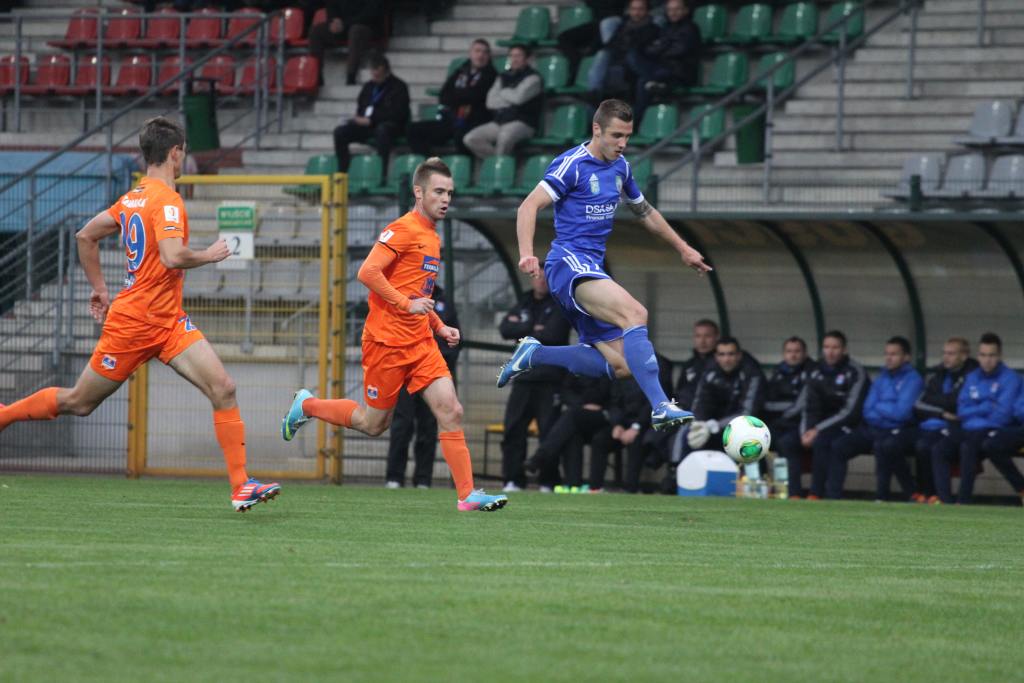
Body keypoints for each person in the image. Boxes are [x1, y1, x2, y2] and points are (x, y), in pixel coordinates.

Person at [0, 117, 280, 512]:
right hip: (133, 324)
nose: (184, 160)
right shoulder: (166, 200)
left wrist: (100, 288)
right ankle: (5, 415)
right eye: (184, 153)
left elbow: (86, 236)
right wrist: (209, 253)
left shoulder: (132, 197)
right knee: (79, 402)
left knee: (224, 388)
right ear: (175, 152)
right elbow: (172, 256)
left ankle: (240, 486)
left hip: (167, 321)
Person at [281, 157, 507, 512]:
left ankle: (467, 496)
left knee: (451, 409)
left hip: (420, 343)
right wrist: (405, 304)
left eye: (449, 192)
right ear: (418, 192)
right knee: (374, 424)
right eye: (438, 191)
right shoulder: (402, 229)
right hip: (386, 342)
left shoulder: (432, 237)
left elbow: (420, 297)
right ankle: (306, 405)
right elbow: (368, 272)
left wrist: (438, 325)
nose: (446, 198)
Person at [498, 99, 711, 436]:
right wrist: (527, 253)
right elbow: (528, 206)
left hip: (591, 267)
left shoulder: (621, 168)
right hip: (567, 264)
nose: (622, 144)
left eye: (627, 136)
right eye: (616, 135)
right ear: (596, 130)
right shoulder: (571, 165)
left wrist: (683, 248)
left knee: (622, 366)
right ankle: (660, 406)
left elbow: (646, 212)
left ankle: (535, 355)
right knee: (635, 314)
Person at [497, 269, 571, 492]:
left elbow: (553, 334)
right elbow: (505, 329)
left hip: (549, 380)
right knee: (513, 429)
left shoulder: (559, 303)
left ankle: (548, 481)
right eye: (537, 276)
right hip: (523, 378)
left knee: (548, 431)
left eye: (545, 277)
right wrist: (533, 329)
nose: (541, 281)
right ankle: (513, 479)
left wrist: (524, 330)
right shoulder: (524, 301)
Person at [827, 336, 924, 501]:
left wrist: (879, 408)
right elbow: (867, 410)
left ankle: (884, 496)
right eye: (887, 353)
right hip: (874, 427)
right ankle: (833, 497)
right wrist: (886, 410)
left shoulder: (913, 379)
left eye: (894, 354)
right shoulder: (881, 377)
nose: (889, 357)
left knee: (884, 446)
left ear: (906, 357)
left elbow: (902, 413)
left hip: (901, 429)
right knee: (839, 445)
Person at [384, 284, 459, 489]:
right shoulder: (404, 296)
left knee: (428, 426)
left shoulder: (444, 300)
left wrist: (438, 361)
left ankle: (423, 479)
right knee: (401, 424)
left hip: (431, 373)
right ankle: (394, 477)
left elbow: (453, 339)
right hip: (406, 372)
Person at [931, 332, 1021, 504]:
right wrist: (987, 406)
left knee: (968, 446)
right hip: (970, 427)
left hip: (991, 430)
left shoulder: (1010, 379)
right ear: (978, 356)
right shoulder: (972, 377)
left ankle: (963, 501)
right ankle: (945, 500)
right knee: (939, 448)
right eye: (983, 355)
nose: (987, 360)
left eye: (992, 355)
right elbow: (961, 409)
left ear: (1000, 356)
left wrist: (975, 410)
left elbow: (1002, 415)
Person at [801, 330, 869, 500]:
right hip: (823, 427)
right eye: (826, 347)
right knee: (815, 441)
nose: (830, 352)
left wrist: (817, 429)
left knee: (836, 444)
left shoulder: (855, 371)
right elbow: (809, 406)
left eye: (835, 347)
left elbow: (850, 411)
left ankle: (833, 496)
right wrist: (807, 430)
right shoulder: (816, 371)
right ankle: (813, 493)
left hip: (851, 425)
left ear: (844, 349)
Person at [407, 39, 497, 157]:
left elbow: (476, 96)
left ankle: (463, 170)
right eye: (477, 51)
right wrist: (463, 96)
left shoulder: (491, 75)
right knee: (413, 129)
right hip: (453, 119)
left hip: (475, 121)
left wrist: (457, 95)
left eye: (485, 52)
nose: (481, 55)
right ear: (470, 53)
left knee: (461, 136)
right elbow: (444, 95)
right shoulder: (460, 71)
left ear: (489, 56)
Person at [524, 373, 612, 492]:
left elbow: (608, 393)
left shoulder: (607, 367)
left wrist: (589, 403)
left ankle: (540, 457)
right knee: (572, 433)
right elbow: (565, 391)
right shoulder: (577, 366)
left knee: (570, 416)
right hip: (581, 414)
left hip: (606, 415)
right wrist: (582, 405)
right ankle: (574, 485)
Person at [913, 337, 976, 501]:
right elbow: (918, 404)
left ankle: (945, 498)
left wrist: (939, 400)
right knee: (922, 445)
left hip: (961, 427)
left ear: (964, 356)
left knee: (939, 448)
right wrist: (942, 412)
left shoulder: (972, 373)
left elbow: (955, 402)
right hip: (939, 423)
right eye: (944, 353)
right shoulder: (939, 374)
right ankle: (929, 494)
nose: (946, 357)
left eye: (951, 353)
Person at [683, 336, 766, 456]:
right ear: (716, 357)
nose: (726, 359)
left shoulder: (752, 374)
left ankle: (748, 474)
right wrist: (698, 424)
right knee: (687, 433)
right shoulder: (710, 373)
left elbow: (747, 414)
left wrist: (714, 426)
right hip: (714, 426)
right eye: (722, 354)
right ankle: (676, 469)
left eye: (731, 354)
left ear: (739, 356)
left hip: (747, 428)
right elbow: (701, 402)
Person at [461, 44, 543, 160]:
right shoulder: (503, 76)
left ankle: (498, 170)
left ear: (527, 59)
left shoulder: (534, 78)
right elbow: (490, 102)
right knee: (471, 138)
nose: (514, 59)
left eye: (518, 56)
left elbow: (518, 99)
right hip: (500, 121)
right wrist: (511, 94)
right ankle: (499, 163)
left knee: (505, 136)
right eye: (512, 56)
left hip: (523, 122)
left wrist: (503, 92)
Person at [332, 52, 409, 174]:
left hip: (391, 126)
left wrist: (372, 119)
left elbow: (398, 114)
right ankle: (342, 172)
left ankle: (380, 174)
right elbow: (361, 107)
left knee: (382, 130)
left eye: (378, 71)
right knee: (340, 132)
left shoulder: (399, 87)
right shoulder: (368, 87)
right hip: (367, 126)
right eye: (373, 71)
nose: (375, 75)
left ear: (385, 70)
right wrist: (359, 119)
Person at [626, 0, 702, 123]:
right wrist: (660, 49)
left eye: (677, 9)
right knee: (636, 64)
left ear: (686, 10)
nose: (673, 13)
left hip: (679, 71)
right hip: (664, 68)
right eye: (670, 10)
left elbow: (678, 51)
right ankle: (658, 85)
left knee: (642, 80)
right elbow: (655, 48)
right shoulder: (667, 27)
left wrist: (660, 50)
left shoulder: (690, 28)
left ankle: (633, 122)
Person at [763, 336, 813, 498]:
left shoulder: (811, 372)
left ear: (805, 353)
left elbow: (800, 405)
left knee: (788, 444)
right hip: (778, 422)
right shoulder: (779, 372)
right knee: (754, 439)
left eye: (797, 351)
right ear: (784, 354)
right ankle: (760, 487)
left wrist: (781, 411)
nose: (793, 355)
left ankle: (793, 492)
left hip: (799, 424)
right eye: (789, 351)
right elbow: (767, 402)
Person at [587, 0, 658, 98]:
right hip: (616, 63)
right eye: (633, 9)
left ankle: (595, 93)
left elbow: (639, 51)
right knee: (603, 54)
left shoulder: (652, 29)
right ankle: (594, 92)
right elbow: (611, 44)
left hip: (631, 68)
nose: (636, 13)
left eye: (640, 9)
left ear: (647, 11)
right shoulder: (623, 26)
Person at [305, 0, 384, 86]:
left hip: (366, 27)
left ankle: (351, 76)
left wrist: (345, 24)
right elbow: (331, 8)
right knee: (316, 31)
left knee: (355, 30)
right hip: (343, 28)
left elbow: (370, 14)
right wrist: (334, 21)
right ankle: (316, 77)